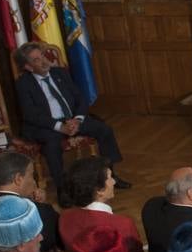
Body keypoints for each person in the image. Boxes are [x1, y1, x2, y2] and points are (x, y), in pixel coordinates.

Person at [12, 41, 128, 196]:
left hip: (72, 120)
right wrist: (59, 126)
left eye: (42, 56)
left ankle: (110, 176)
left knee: (104, 130)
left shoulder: (60, 73)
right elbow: (31, 114)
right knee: (51, 144)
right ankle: (63, 189)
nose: (44, 60)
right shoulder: (24, 84)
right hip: (48, 125)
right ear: (28, 67)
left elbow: (80, 98)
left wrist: (78, 119)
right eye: (37, 60)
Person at [57, 156, 143, 252]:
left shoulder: (64, 217)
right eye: (110, 177)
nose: (114, 181)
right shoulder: (122, 224)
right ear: (99, 190)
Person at [0, 150, 61, 252]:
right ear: (18, 179)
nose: (34, 181)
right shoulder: (39, 212)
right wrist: (40, 205)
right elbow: (53, 241)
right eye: (31, 175)